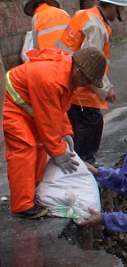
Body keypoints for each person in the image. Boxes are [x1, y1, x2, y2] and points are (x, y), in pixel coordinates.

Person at [3, 47, 107, 218]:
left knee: (41, 147)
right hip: (13, 106)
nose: (86, 85)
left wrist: (66, 131)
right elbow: (47, 121)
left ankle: (33, 193)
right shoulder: (50, 80)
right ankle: (22, 206)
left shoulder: (66, 76)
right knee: (24, 150)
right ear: (78, 70)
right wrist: (59, 151)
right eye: (87, 80)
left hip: (28, 106)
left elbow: (57, 109)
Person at [56, 0, 127, 165]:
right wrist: (106, 90)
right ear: (112, 7)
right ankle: (85, 168)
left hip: (70, 85)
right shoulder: (96, 26)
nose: (121, 14)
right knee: (90, 129)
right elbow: (90, 64)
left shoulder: (84, 15)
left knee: (75, 130)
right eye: (120, 9)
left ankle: (77, 166)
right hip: (82, 92)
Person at [0, 52, 29, 267]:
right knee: (26, 151)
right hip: (15, 113)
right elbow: (48, 115)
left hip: (13, 109)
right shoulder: (53, 77)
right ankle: (22, 204)